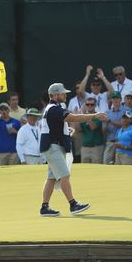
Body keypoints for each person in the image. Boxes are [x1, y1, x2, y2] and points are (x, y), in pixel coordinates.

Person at [38, 83, 107, 217]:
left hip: (53, 145)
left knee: (51, 178)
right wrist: (94, 115)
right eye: (63, 93)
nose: (65, 95)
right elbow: (72, 118)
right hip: (53, 147)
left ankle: (44, 207)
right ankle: (73, 204)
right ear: (55, 95)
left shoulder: (55, 107)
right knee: (65, 175)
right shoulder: (54, 108)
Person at [72, 97, 105, 164]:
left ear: (95, 105)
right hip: (85, 147)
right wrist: (75, 116)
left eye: (92, 104)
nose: (89, 106)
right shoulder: (84, 117)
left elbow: (93, 127)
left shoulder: (99, 116)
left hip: (96, 147)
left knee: (96, 168)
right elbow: (78, 129)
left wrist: (85, 116)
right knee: (85, 169)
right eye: (87, 104)